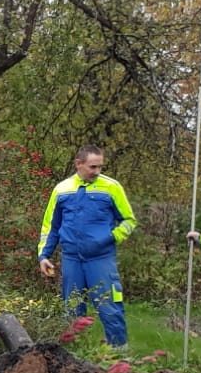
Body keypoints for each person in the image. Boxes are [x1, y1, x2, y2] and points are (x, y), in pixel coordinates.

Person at [38, 146, 138, 347]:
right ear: (78, 164)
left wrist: (110, 238)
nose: (97, 171)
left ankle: (119, 357)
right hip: (71, 259)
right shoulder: (61, 189)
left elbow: (129, 220)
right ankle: (74, 356)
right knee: (72, 310)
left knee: (110, 308)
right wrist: (44, 255)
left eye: (100, 167)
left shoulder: (111, 187)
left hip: (101, 259)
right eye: (93, 167)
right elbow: (51, 226)